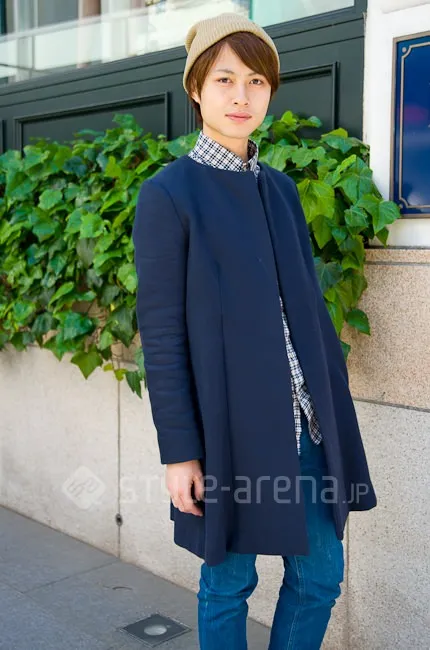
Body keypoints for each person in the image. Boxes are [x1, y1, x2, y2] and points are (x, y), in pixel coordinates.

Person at [132, 12, 377, 650]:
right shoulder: (168, 195)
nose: (242, 96)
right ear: (196, 89)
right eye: (225, 79)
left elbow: (304, 312)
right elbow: (162, 337)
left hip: (307, 424)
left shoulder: (282, 191)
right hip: (227, 432)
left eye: (257, 82)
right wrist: (179, 451)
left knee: (320, 577)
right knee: (228, 583)